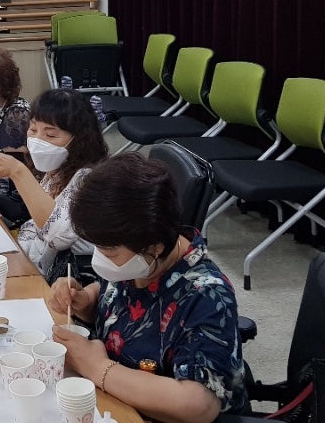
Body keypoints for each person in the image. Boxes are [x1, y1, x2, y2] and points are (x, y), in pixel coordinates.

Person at [49, 154, 249, 422]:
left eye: (109, 252)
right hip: (114, 399)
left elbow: (199, 404)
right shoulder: (139, 261)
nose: (100, 257)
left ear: (155, 247)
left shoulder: (207, 295)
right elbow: (116, 297)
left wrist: (98, 368)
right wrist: (85, 301)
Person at [0, 88, 107, 280]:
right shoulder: (57, 171)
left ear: (79, 140)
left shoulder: (88, 180)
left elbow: (59, 237)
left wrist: (18, 172)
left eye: (50, 135)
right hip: (28, 259)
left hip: (62, 279)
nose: (37, 140)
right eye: (33, 129)